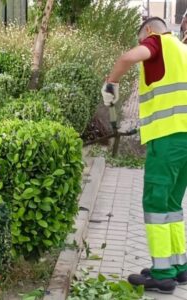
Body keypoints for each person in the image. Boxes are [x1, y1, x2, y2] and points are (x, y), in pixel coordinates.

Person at [101, 17, 187, 294]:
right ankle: (179, 266)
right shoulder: (183, 49)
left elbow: (127, 57)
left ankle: (162, 275)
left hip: (168, 139)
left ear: (149, 32)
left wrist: (111, 83)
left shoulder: (157, 42)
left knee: (155, 202)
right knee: (172, 204)